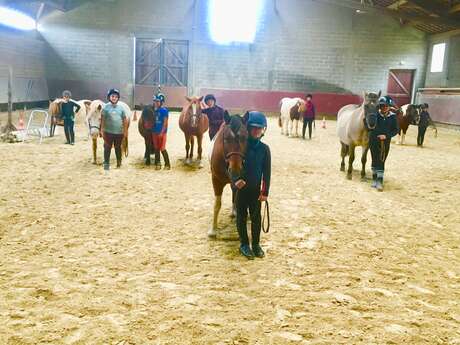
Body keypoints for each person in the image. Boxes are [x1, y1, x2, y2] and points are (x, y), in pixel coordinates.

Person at [233, 111, 271, 260]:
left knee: (256, 219)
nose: (256, 131)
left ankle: (256, 244)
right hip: (242, 190)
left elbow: (267, 173)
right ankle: (244, 244)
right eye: (253, 128)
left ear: (263, 130)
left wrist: (265, 191)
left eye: (259, 128)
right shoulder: (241, 146)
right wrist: (236, 180)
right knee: (241, 217)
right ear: (248, 129)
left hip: (256, 191)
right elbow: (232, 166)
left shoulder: (265, 149)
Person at [367, 96, 399, 192]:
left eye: (385, 106)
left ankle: (380, 181)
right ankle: (374, 179)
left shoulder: (393, 117)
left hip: (385, 142)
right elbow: (370, 126)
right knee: (374, 159)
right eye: (381, 106)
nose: (383, 108)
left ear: (389, 106)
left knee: (382, 159)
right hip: (374, 141)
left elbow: (395, 130)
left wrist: (386, 136)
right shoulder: (375, 115)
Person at [100, 88, 128, 170]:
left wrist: (125, 131)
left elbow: (124, 120)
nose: (114, 98)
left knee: (118, 147)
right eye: (112, 96)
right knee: (107, 147)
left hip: (119, 133)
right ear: (109, 97)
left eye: (116, 96)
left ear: (118, 98)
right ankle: (106, 163)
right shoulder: (105, 108)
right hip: (108, 132)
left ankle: (119, 162)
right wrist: (102, 130)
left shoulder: (121, 108)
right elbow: (102, 119)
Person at [152, 93, 171, 170]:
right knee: (156, 148)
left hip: (162, 133)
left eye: (158, 101)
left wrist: (162, 132)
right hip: (154, 132)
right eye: (155, 101)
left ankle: (167, 164)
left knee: (162, 148)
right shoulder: (153, 110)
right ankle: (158, 163)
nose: (156, 103)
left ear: (161, 102)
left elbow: (165, 123)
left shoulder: (164, 111)